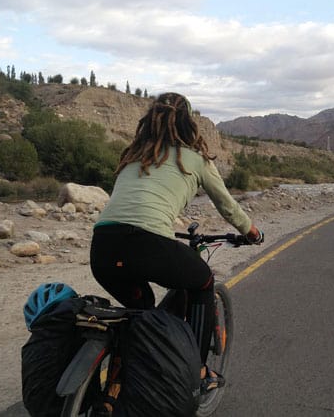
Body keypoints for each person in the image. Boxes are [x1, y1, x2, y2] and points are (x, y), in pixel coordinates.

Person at [89, 92, 263, 393]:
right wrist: (252, 232)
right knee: (203, 282)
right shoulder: (195, 159)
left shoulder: (134, 155)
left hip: (103, 246)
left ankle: (124, 372)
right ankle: (196, 370)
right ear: (188, 124)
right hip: (147, 243)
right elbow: (228, 206)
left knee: (142, 308)